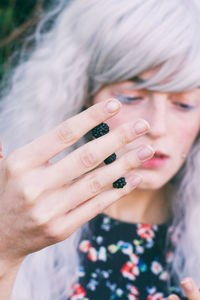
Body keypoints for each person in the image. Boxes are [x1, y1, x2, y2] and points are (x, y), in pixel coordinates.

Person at [0, 0, 200, 299]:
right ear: (83, 95)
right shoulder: (21, 211)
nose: (158, 127)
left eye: (184, 104)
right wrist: (5, 252)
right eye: (131, 97)